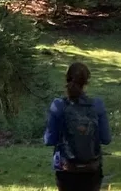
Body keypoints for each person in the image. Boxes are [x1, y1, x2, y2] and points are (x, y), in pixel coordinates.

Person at [42, 61, 111, 191]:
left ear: (66, 79)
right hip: (92, 169)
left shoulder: (58, 105)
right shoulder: (97, 105)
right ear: (86, 82)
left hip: (66, 169)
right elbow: (106, 139)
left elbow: (48, 140)